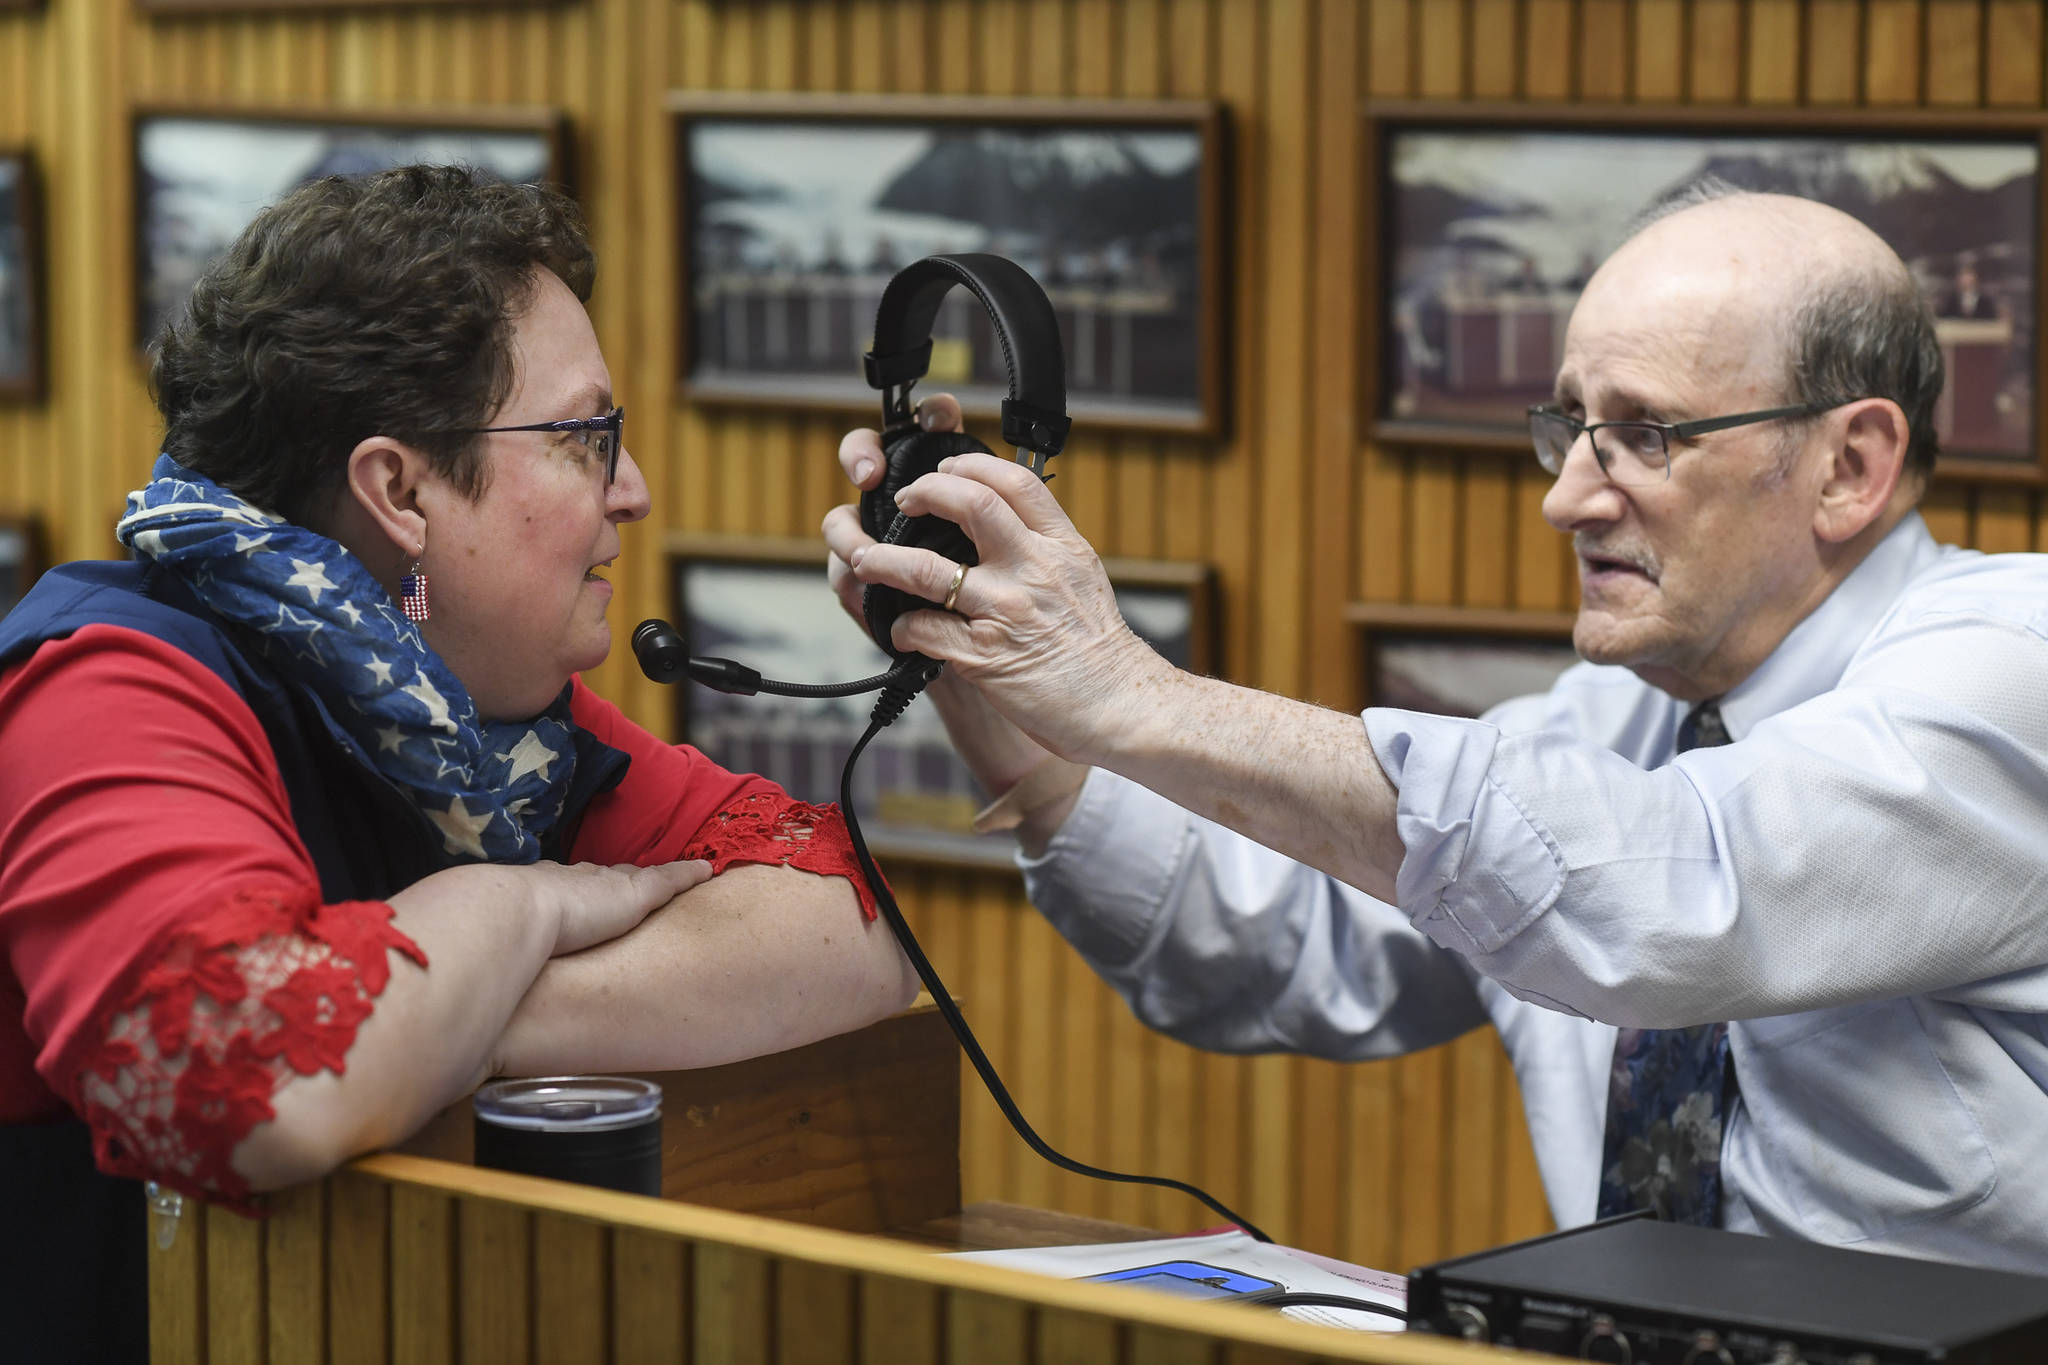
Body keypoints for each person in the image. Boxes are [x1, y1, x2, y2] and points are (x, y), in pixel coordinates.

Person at [823, 189, 2048, 1271]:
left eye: (1644, 436)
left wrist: (1128, 690)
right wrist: (987, 675)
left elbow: (1673, 894)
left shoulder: (2012, 662)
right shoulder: (1617, 719)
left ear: (1848, 466)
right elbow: (1270, 949)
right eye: (1569, 425)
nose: (1564, 498)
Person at [0, 165, 918, 1360]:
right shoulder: (108, 685)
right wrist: (514, 908)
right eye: (586, 437)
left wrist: (453, 1021)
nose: (632, 492)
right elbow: (255, 1082)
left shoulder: (485, 718)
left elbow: (853, 923)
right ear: (400, 491)